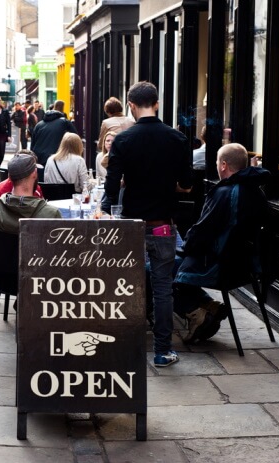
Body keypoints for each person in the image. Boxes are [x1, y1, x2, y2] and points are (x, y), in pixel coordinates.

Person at [101, 81, 193, 368]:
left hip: (130, 226)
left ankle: (123, 347)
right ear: (157, 103)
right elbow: (187, 183)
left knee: (124, 285)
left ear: (131, 105)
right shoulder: (176, 139)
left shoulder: (124, 141)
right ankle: (162, 351)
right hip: (162, 225)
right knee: (162, 288)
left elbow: (111, 186)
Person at [173, 143, 270, 343]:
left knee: (156, 270)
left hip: (220, 265)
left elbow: (201, 232)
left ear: (223, 165)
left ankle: (196, 313)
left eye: (217, 161)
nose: (217, 165)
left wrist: (182, 248)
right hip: (245, 265)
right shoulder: (256, 190)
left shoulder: (225, 193)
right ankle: (210, 306)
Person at [0, 153, 61, 255]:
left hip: (0, 270)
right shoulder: (51, 215)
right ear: (34, 173)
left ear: (9, 177)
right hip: (35, 270)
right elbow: (56, 255)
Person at [30, 100, 77, 166]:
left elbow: (32, 145)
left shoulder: (39, 125)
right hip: (57, 159)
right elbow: (75, 138)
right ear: (63, 108)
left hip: (40, 160)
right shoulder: (65, 123)